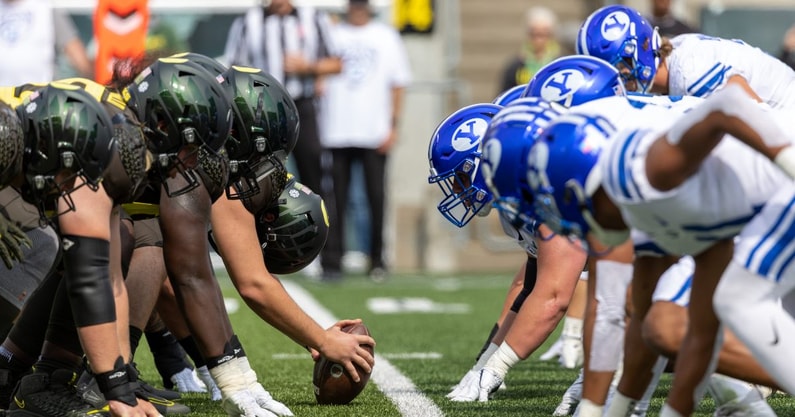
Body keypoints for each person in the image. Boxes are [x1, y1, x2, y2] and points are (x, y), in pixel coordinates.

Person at [524, 83, 792, 416]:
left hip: (782, 192)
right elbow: (694, 332)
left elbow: (729, 101)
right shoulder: (658, 216)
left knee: (732, 305)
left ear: (587, 185)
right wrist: (621, 408)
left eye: (567, 203)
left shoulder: (646, 172)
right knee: (676, 322)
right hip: (759, 214)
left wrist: (788, 159)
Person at [223, 0, 344, 279]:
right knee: (252, 183)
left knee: (318, 179)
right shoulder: (248, 21)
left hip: (301, 106)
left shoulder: (313, 18)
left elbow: (337, 62)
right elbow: (231, 69)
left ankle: (331, 259)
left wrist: (308, 67)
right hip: (258, 112)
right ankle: (253, 257)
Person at [320, 0, 411, 281]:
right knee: (335, 200)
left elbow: (398, 83)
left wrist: (393, 125)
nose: (357, 9)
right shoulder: (331, 33)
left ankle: (377, 259)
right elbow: (317, 73)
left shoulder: (386, 36)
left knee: (375, 198)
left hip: (374, 130)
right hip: (336, 129)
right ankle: (333, 261)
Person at [0, 0, 92, 85]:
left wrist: (94, 92)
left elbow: (78, 57)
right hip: (3, 97)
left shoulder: (45, 9)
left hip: (40, 97)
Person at [498, 6, 561, 94]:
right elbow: (504, 96)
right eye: (535, 34)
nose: (539, 40)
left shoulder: (560, 64)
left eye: (544, 34)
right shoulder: (515, 66)